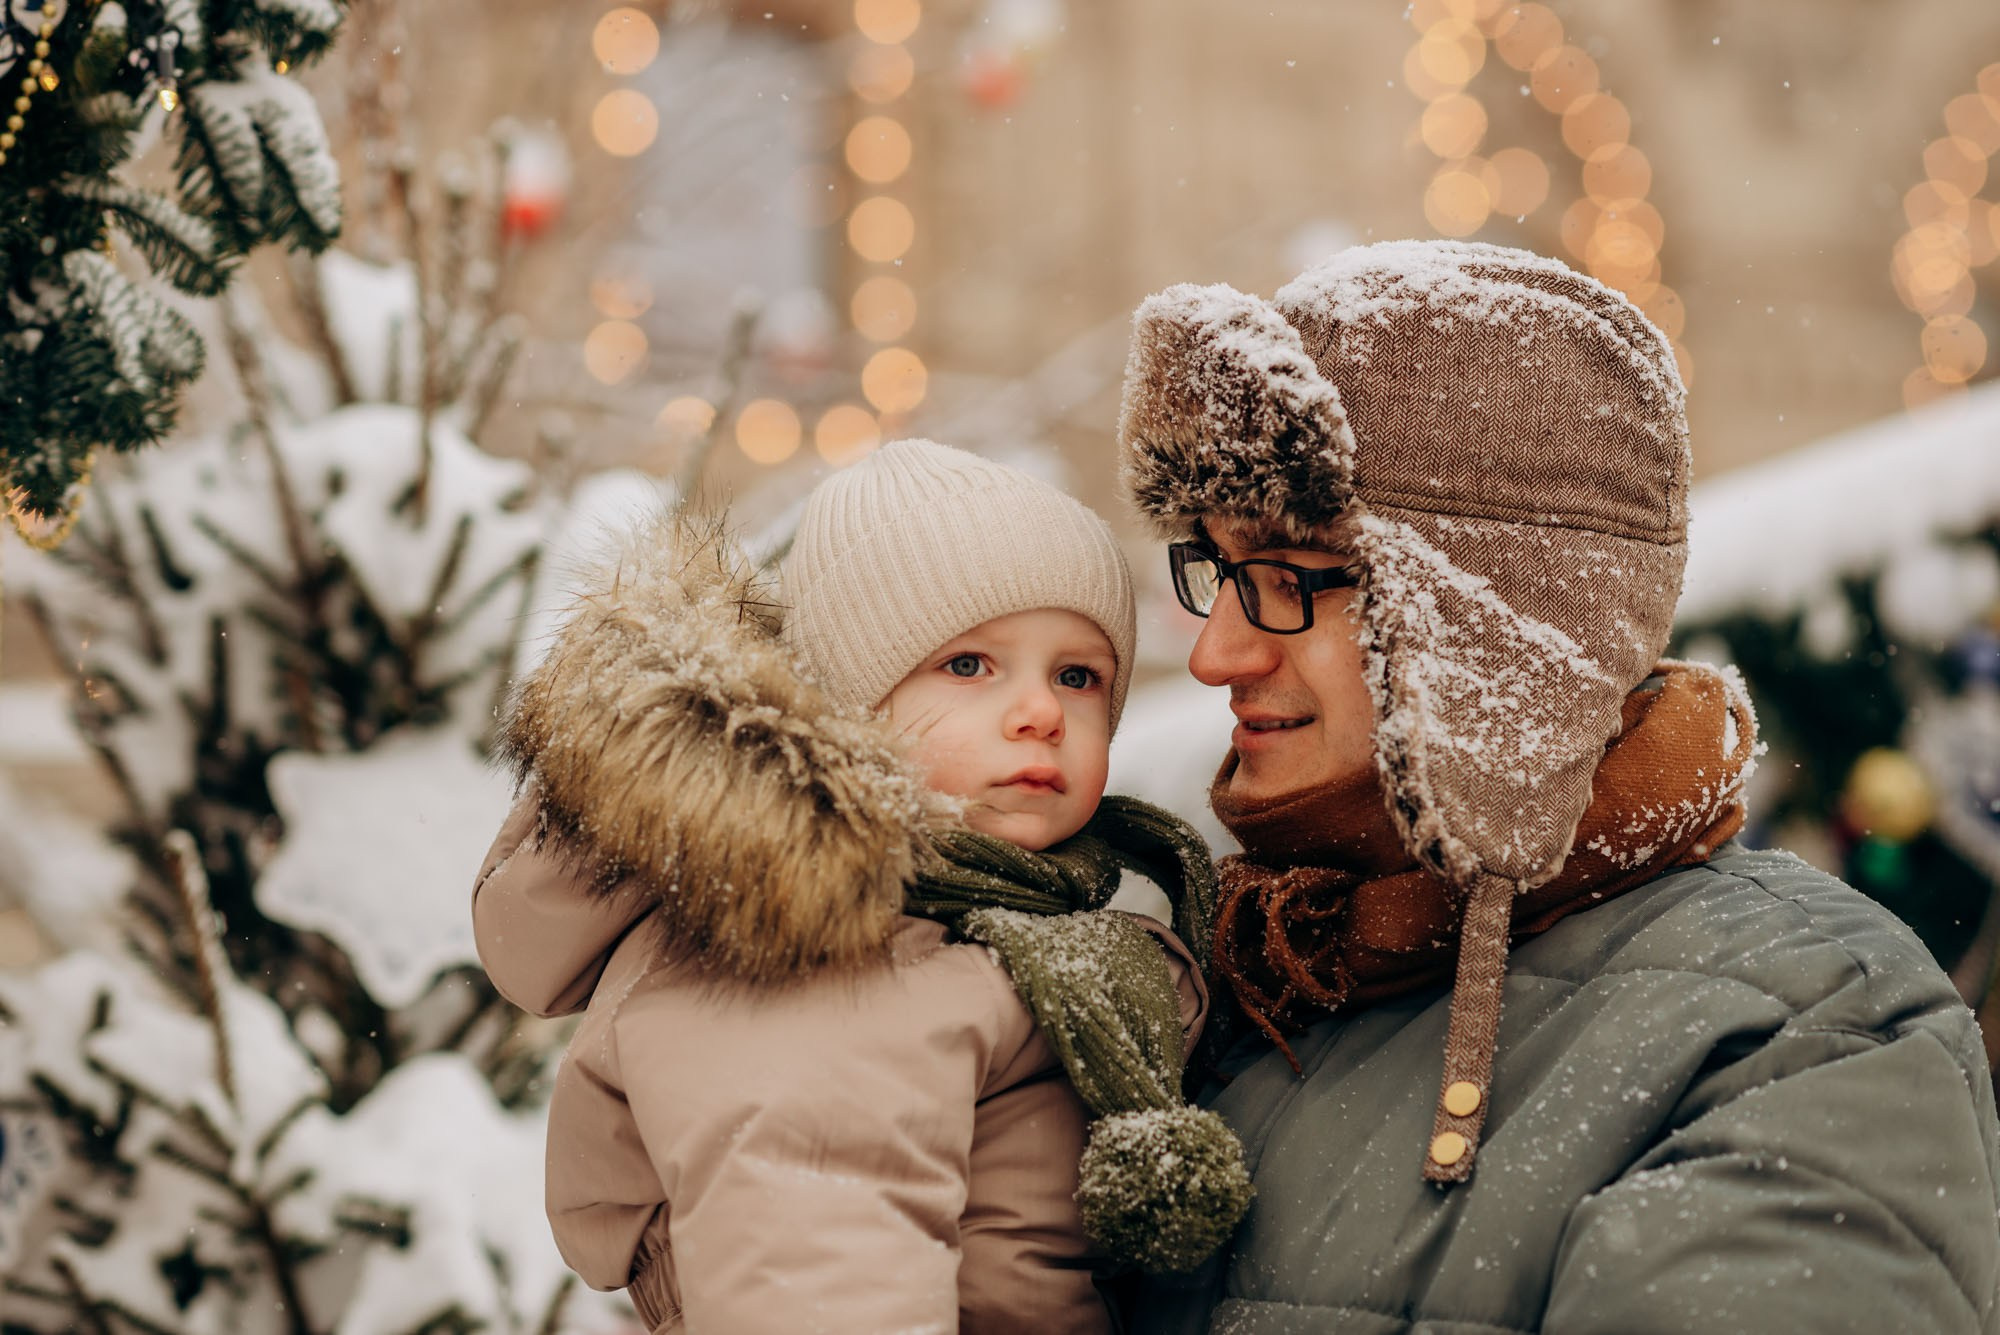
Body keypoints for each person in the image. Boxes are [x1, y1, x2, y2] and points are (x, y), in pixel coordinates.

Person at [1115, 239, 2000, 1333]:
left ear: (1497, 624)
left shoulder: (1803, 1033)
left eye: (1290, 576)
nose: (1215, 653)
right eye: (1216, 568)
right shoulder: (1229, 982)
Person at [470, 439, 1251, 1334]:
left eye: (1077, 676)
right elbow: (817, 1275)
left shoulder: (995, 925)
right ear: (846, 705)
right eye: (969, 665)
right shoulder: (817, 955)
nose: (1041, 712)